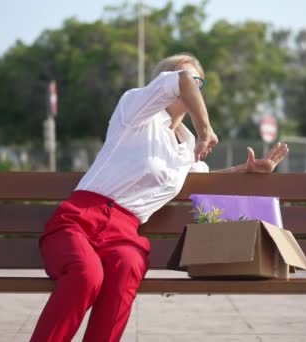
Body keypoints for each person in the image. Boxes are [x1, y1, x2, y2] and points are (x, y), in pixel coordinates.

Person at [30, 53, 289, 342]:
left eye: (196, 81)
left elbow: (202, 181)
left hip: (124, 232)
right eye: (185, 78)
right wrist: (205, 128)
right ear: (161, 83)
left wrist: (248, 170)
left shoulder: (187, 148)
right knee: (86, 275)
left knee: (128, 268)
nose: (189, 85)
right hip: (80, 218)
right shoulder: (135, 109)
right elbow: (181, 83)